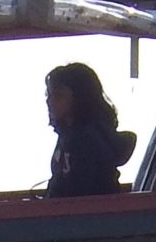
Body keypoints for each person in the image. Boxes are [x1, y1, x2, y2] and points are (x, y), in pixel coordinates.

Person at [44, 62, 132, 197]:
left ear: (80, 97)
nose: (49, 101)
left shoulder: (86, 140)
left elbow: (80, 196)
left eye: (58, 95)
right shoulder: (67, 136)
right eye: (48, 95)